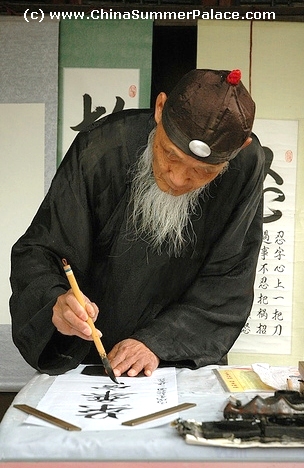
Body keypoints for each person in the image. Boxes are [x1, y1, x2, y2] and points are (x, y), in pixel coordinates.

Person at [9, 69, 265, 378]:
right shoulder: (101, 148)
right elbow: (41, 251)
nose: (177, 178)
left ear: (241, 147)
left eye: (203, 171)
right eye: (170, 154)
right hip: (92, 358)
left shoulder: (246, 165)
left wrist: (156, 342)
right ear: (160, 108)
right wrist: (56, 301)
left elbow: (229, 279)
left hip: (178, 357)